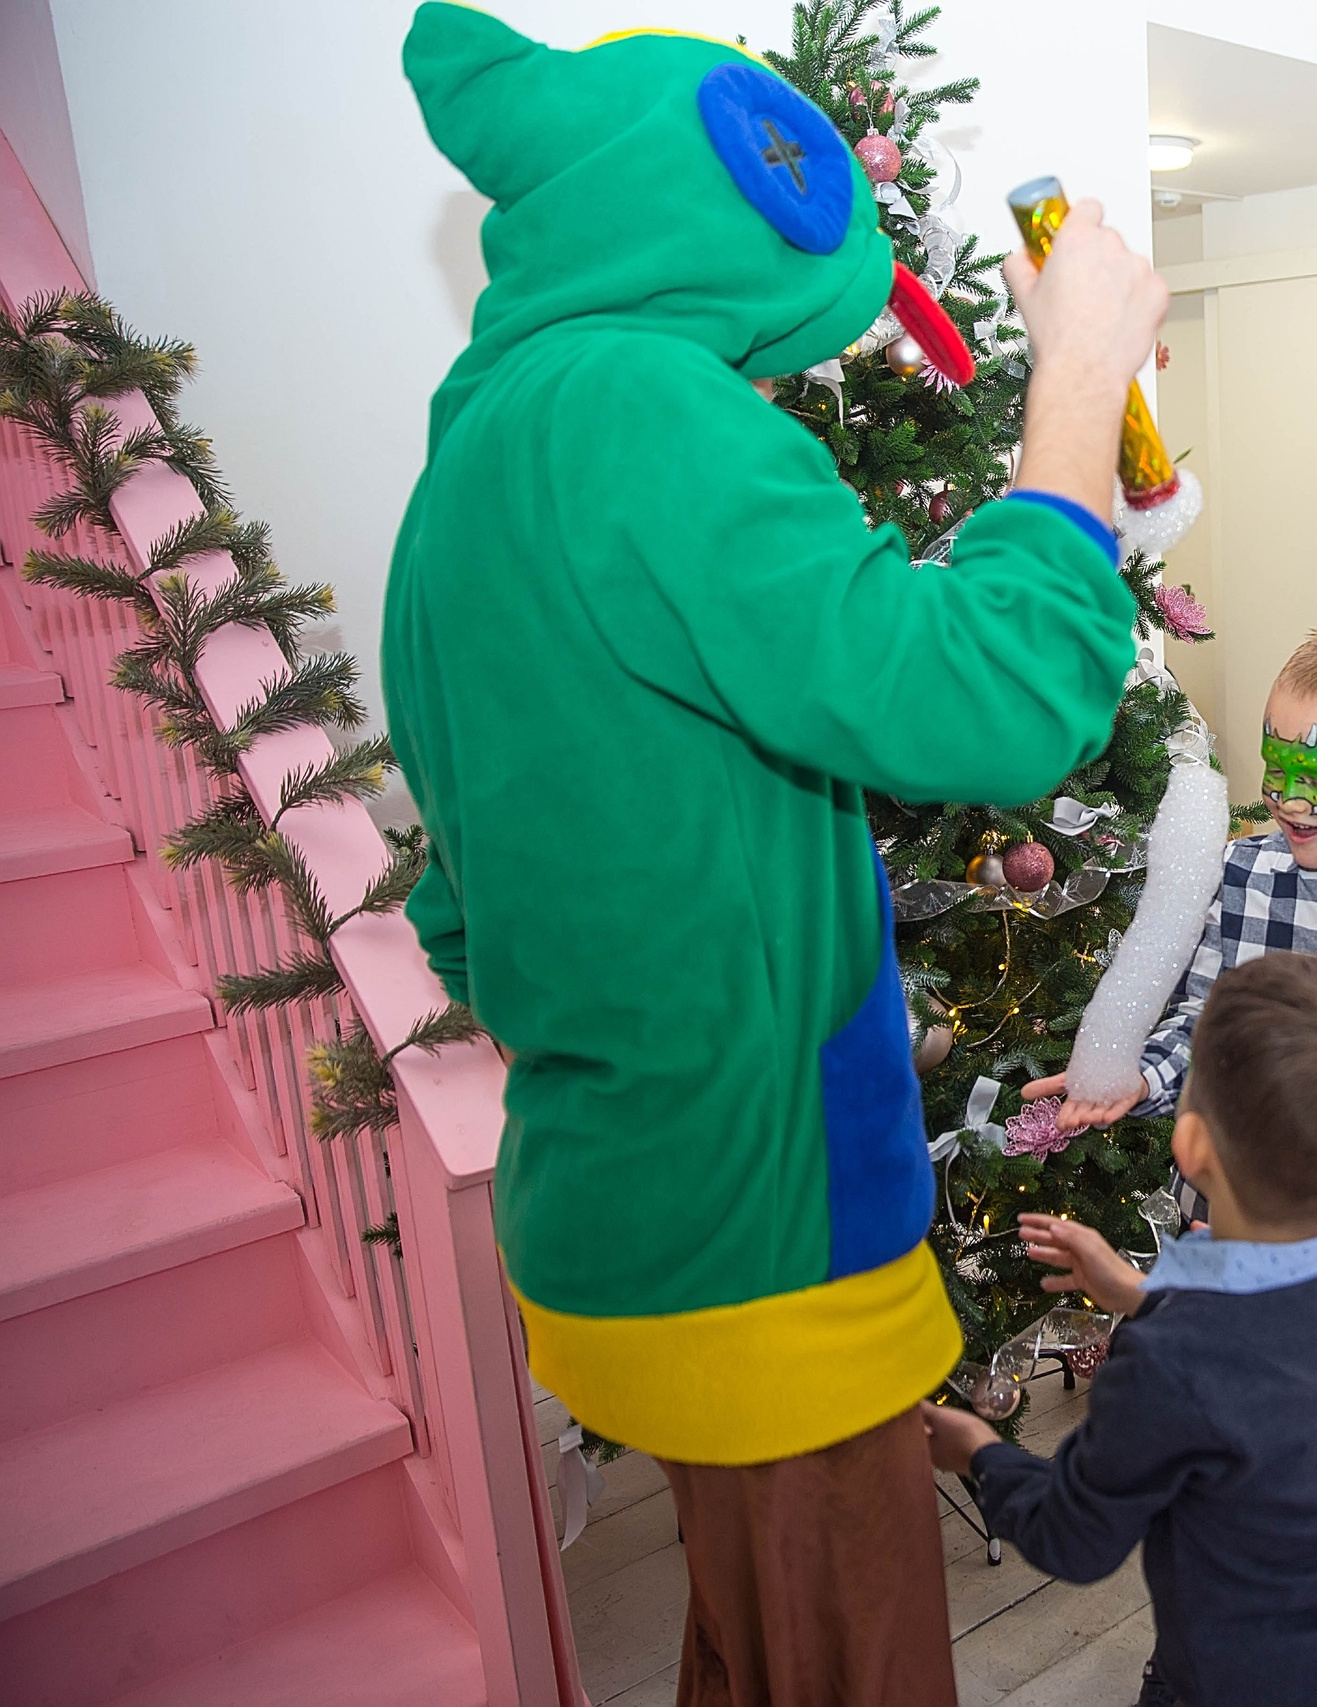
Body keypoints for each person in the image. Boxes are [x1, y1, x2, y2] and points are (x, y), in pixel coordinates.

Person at [383, 15, 1165, 1704]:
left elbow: (458, 900)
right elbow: (997, 689)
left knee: (751, 1643)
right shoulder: (645, 413)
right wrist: (1081, 379)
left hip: (618, 1208)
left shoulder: (473, 461)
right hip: (760, 1242)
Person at [922, 954, 1317, 1707]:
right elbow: (1268, 1352)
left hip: (1242, 1678)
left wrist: (982, 1454)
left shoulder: (1169, 1362)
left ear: (1190, 1148)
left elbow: (1077, 1536)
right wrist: (1139, 1293)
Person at [1023, 619, 1317, 1140]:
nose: (1287, 801)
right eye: (1275, 769)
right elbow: (1206, 1018)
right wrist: (1145, 1079)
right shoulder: (1239, 873)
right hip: (1227, 1186)